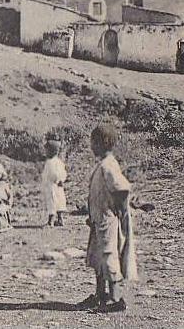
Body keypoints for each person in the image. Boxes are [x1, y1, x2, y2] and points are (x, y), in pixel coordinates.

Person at [81, 125, 137, 313]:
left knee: (108, 255)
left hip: (108, 219)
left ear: (102, 143)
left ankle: (115, 298)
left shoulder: (108, 165)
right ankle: (100, 295)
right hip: (99, 219)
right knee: (97, 257)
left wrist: (120, 214)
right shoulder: (103, 164)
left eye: (93, 142)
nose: (91, 146)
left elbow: (121, 190)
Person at [41, 138, 68, 227]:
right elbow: (64, 173)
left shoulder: (50, 162)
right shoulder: (59, 162)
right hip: (58, 185)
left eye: (47, 150)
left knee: (52, 202)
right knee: (59, 202)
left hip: (52, 185)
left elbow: (53, 173)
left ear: (52, 151)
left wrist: (56, 179)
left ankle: (51, 221)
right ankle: (60, 219)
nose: (46, 152)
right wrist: (61, 180)